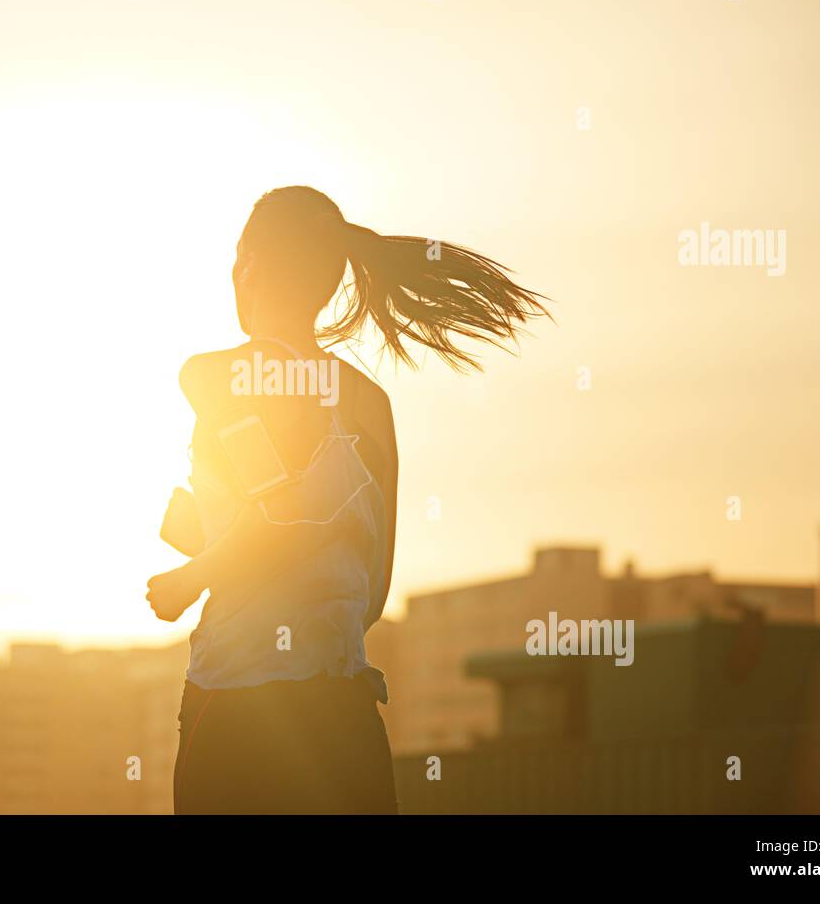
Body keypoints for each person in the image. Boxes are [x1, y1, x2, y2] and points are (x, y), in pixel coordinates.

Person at [146, 185, 549, 814]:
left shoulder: (213, 376)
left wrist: (193, 572)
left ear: (246, 267)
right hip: (343, 714)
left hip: (238, 705)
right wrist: (213, 539)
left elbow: (285, 519)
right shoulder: (370, 404)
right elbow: (368, 588)